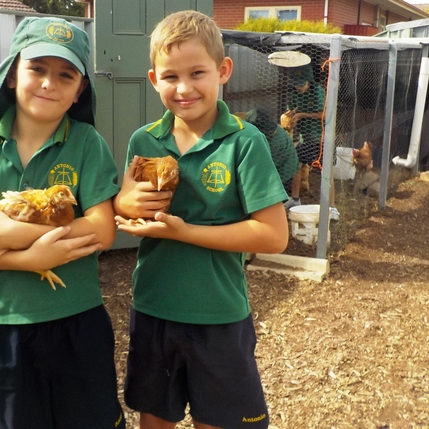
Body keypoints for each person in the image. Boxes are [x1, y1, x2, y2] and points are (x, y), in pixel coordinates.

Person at [0, 17, 125, 429]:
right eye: (36, 68)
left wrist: (11, 234)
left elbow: (103, 230)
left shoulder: (87, 144)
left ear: (79, 92)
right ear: (11, 75)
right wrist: (29, 258)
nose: (48, 83)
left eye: (65, 75)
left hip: (78, 318)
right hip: (5, 324)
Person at [113, 10, 288, 429]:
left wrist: (184, 231)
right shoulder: (144, 139)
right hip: (154, 306)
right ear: (154, 80)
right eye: (170, 77)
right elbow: (124, 202)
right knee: (155, 418)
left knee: (222, 421)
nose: (184, 88)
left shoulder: (245, 142)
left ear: (223, 71)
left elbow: (273, 235)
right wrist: (127, 205)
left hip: (219, 314)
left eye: (197, 73)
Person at [284, 64, 340, 220]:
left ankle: (332, 207)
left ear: (308, 80)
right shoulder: (295, 94)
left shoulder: (317, 92)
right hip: (305, 139)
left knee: (326, 172)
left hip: (322, 139)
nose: (298, 87)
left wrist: (301, 115)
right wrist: (291, 115)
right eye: (296, 84)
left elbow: (324, 114)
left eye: (301, 84)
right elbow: (293, 108)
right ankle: (295, 200)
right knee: (295, 163)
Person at [244, 108, 299, 188]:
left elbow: (265, 167)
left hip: (282, 176)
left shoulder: (275, 142)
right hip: (284, 170)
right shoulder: (275, 129)